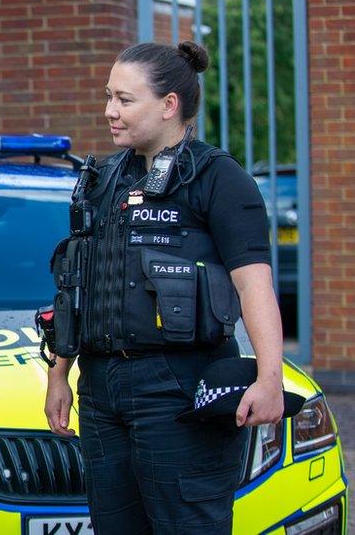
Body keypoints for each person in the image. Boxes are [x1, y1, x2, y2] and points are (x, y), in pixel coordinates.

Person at [44, 41, 285, 534]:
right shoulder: (102, 178)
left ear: (169, 104)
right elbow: (77, 283)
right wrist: (58, 374)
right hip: (101, 389)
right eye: (108, 96)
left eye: (125, 99)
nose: (110, 111)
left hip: (182, 386)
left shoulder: (218, 177)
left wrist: (269, 378)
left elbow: (254, 284)